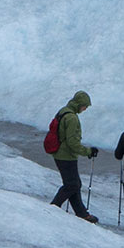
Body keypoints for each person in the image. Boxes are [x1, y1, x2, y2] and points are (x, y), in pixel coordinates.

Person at [48, 91, 100, 222]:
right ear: (79, 104)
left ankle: (82, 213)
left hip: (59, 153)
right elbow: (72, 142)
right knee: (72, 185)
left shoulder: (63, 111)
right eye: (84, 106)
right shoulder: (72, 118)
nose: (85, 109)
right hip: (66, 155)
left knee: (74, 184)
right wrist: (88, 151)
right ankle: (53, 207)